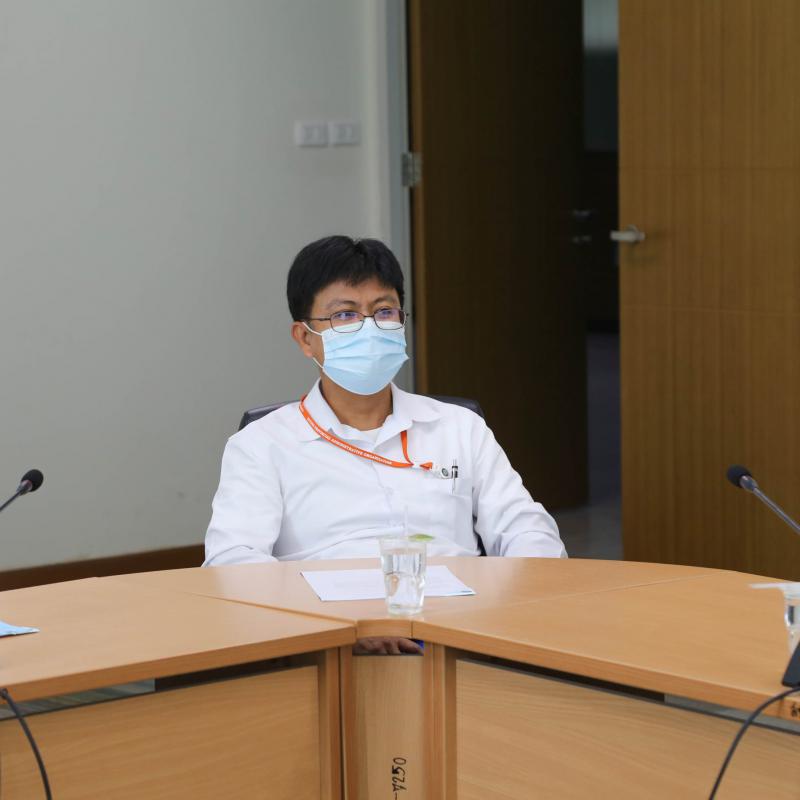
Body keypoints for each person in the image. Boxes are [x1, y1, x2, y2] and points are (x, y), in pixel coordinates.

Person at [204, 235, 566, 654]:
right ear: (304, 338)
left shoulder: (459, 427)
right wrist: (344, 627)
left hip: (461, 632)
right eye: (345, 314)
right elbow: (232, 560)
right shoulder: (262, 444)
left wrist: (508, 607)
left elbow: (526, 528)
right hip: (330, 643)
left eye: (384, 311)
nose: (369, 328)